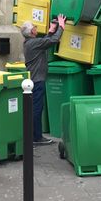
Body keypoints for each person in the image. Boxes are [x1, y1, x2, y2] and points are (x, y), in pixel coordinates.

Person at [20, 13, 66, 145]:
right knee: (37, 109)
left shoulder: (30, 43)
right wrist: (61, 27)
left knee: (35, 108)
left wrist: (50, 32)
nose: (36, 27)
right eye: (34, 26)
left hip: (34, 80)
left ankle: (34, 136)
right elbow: (52, 41)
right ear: (32, 31)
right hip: (37, 81)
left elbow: (44, 43)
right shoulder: (33, 43)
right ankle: (37, 137)